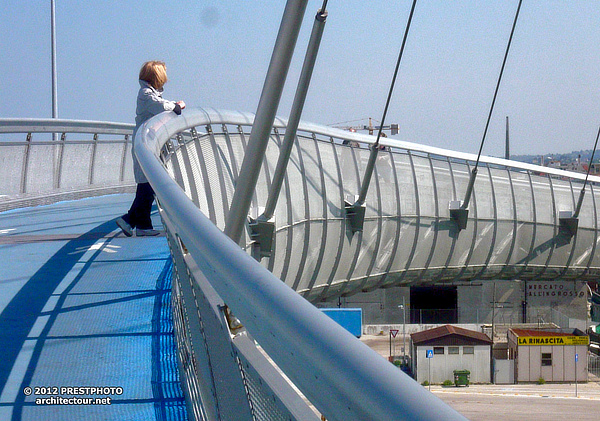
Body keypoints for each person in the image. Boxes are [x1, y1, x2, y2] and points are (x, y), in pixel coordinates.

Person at [116, 61, 186, 236]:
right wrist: (177, 107)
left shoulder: (149, 94)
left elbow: (159, 104)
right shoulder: (146, 94)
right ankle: (133, 221)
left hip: (149, 144)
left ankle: (139, 224)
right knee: (148, 183)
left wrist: (173, 105)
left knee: (148, 184)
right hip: (145, 144)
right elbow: (160, 106)